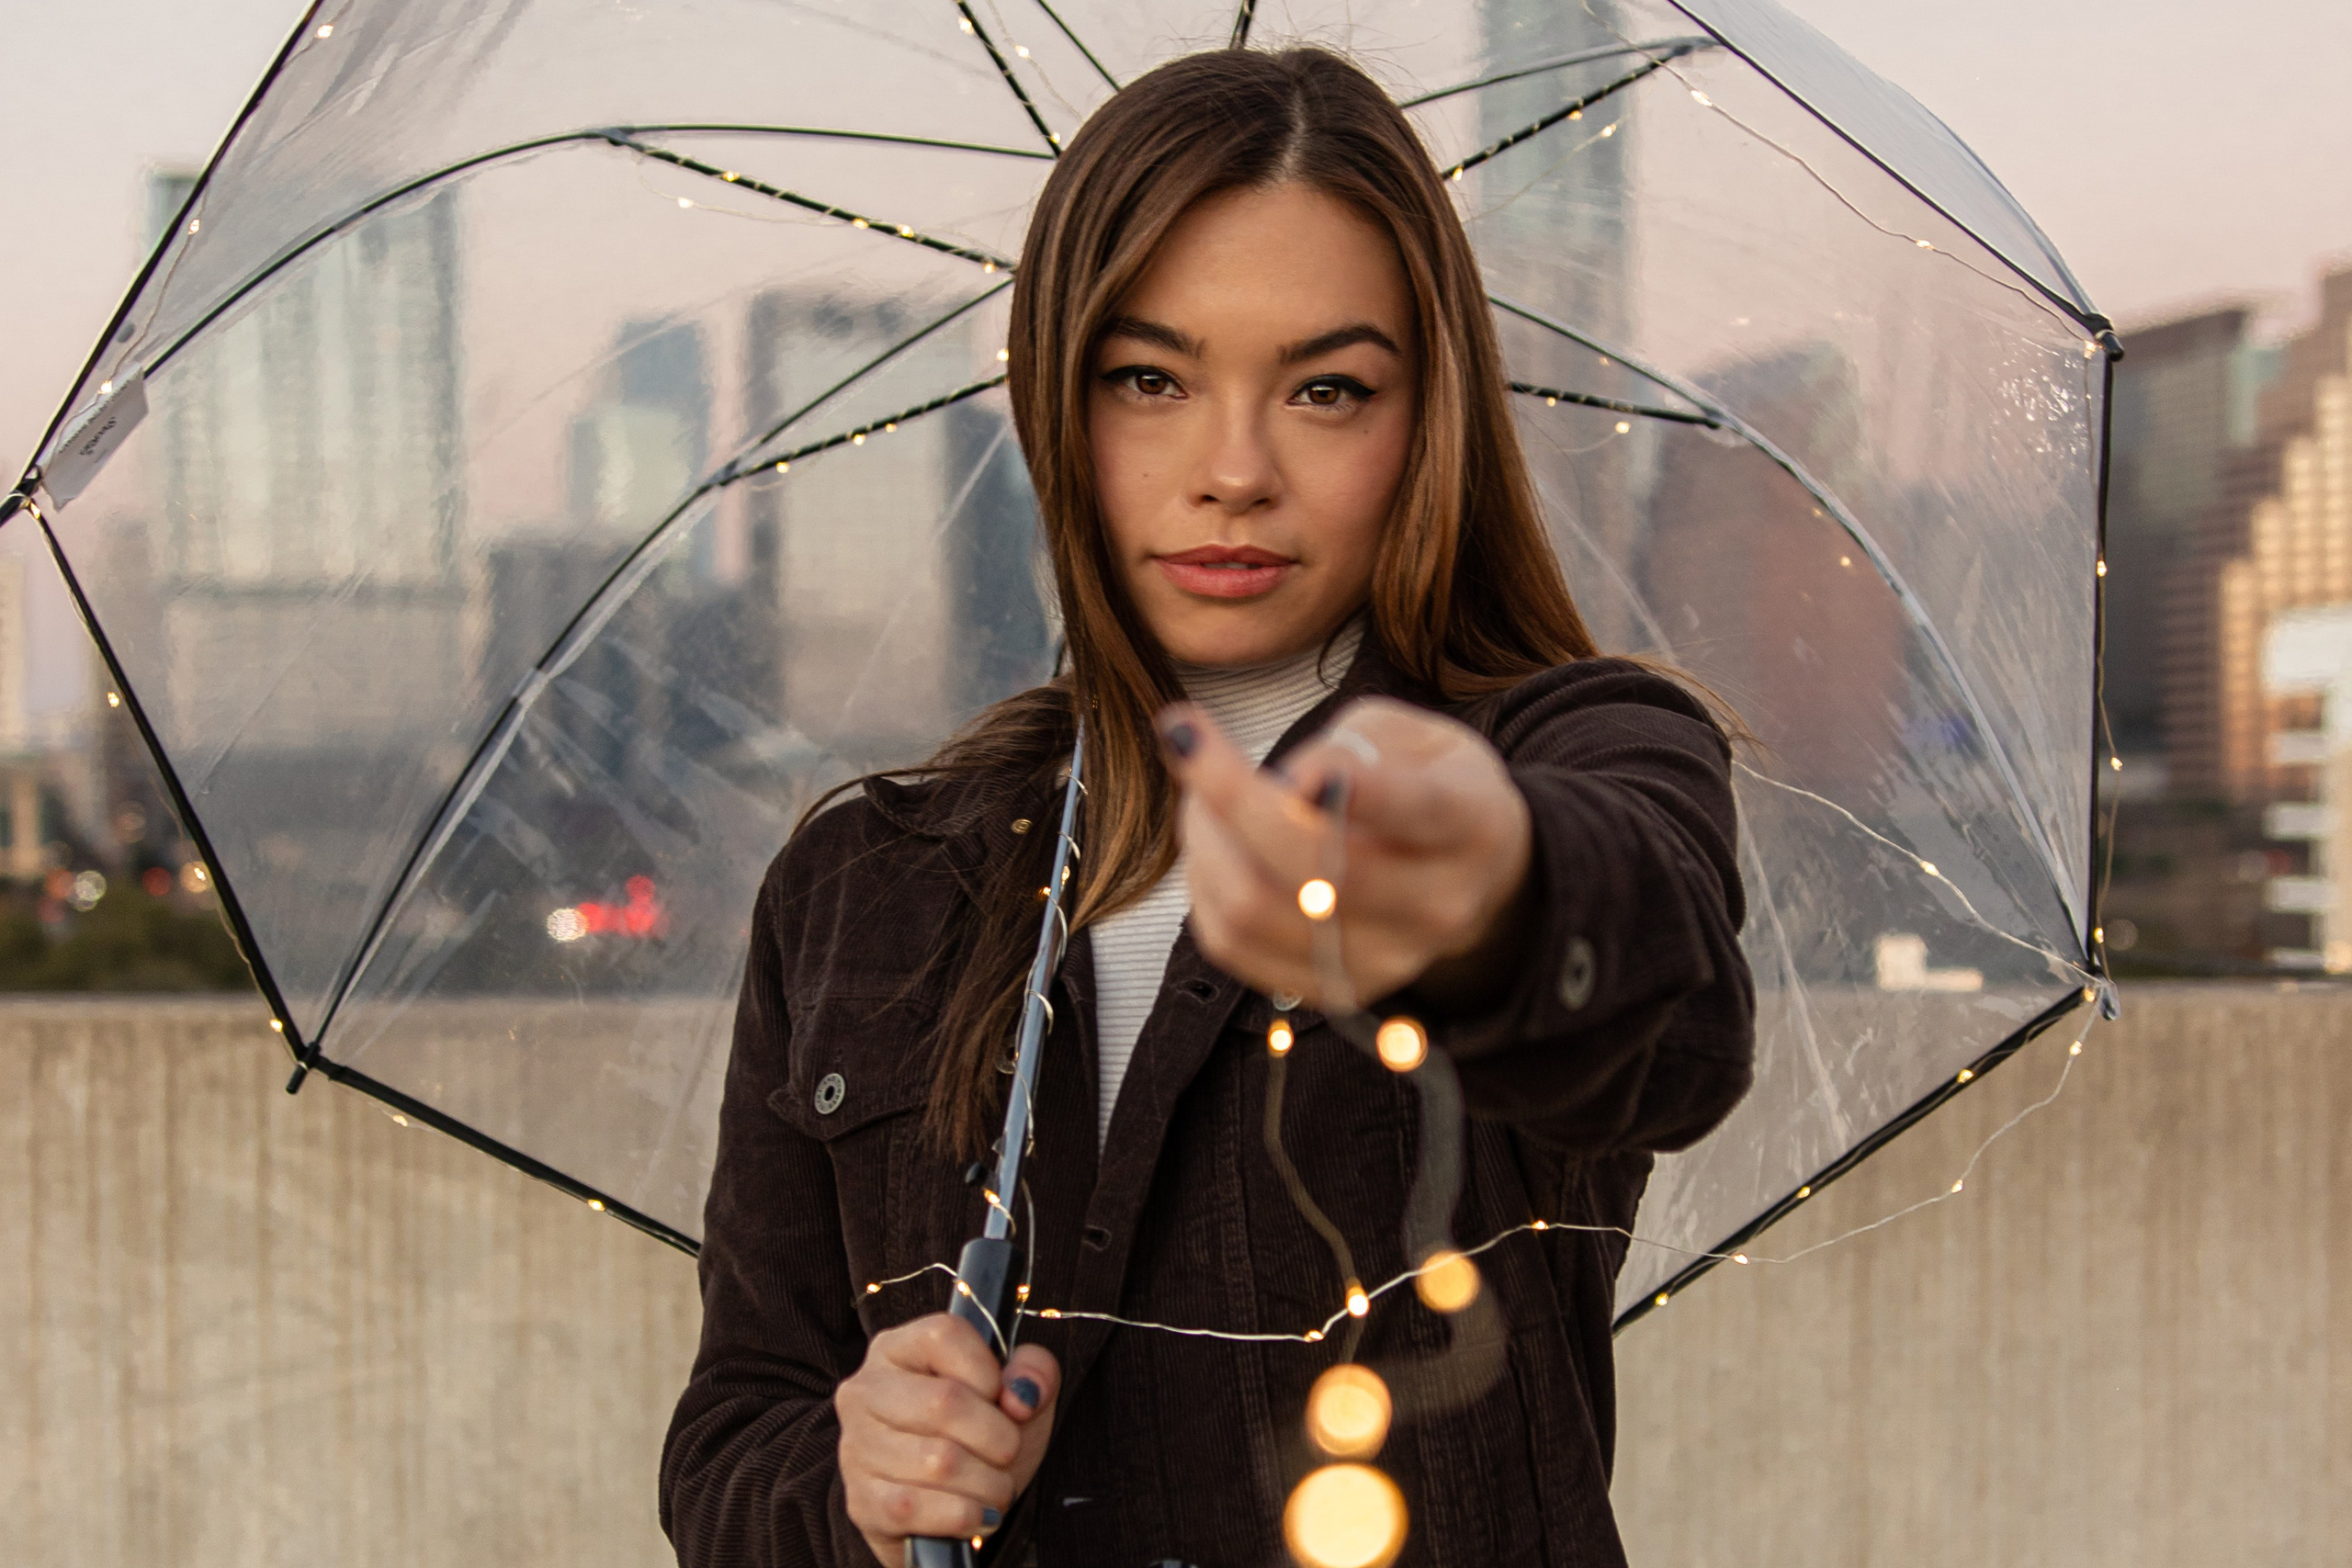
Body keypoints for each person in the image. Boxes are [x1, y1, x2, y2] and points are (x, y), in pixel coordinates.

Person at [662, 45, 1753, 1568]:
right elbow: (730, 1450)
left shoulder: (1567, 752)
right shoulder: (863, 881)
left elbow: (1665, 989)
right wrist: (857, 1477)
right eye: (1151, 380)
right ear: (1054, 400)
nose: (1232, 472)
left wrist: (1487, 884)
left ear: (1423, 417)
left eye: (1325, 389)